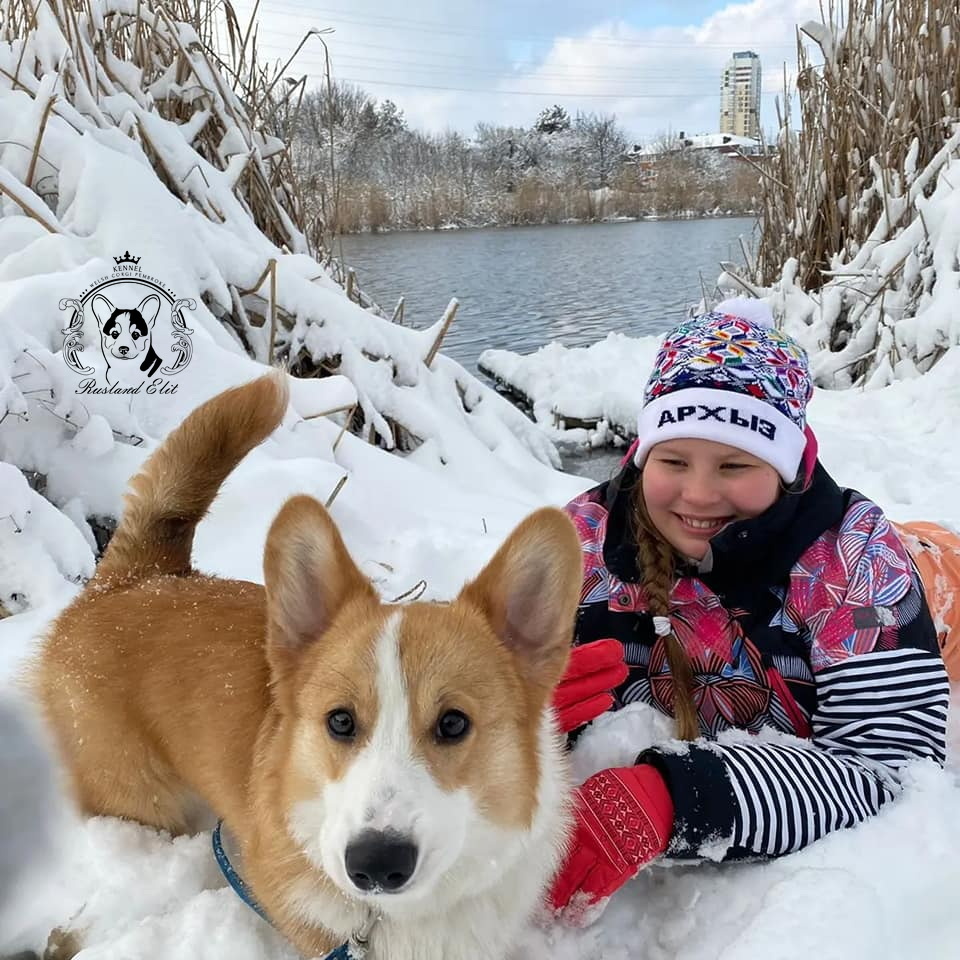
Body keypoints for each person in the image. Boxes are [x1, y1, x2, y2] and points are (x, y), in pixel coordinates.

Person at [547, 298, 953, 925]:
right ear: (641, 456)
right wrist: (515, 713)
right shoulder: (578, 543)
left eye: (735, 465)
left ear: (788, 466)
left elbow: (890, 768)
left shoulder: (858, 559)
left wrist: (680, 799)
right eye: (673, 461)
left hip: (924, 583)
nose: (699, 494)